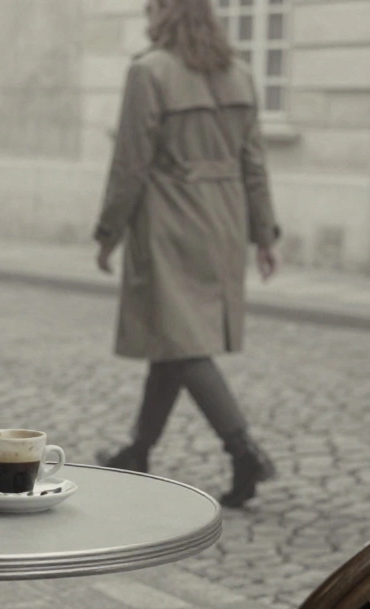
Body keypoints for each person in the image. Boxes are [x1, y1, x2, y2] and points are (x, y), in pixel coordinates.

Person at [92, 0, 280, 509]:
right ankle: (138, 449)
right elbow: (254, 162)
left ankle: (243, 450)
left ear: (163, 14)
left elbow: (130, 162)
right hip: (224, 221)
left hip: (170, 222)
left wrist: (108, 230)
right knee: (173, 339)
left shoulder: (148, 71)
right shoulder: (241, 74)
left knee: (184, 343)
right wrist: (263, 232)